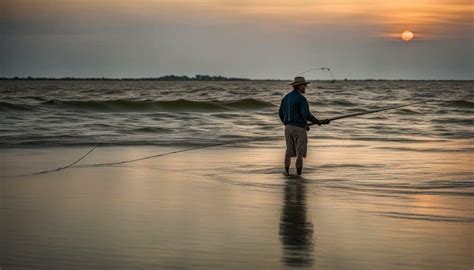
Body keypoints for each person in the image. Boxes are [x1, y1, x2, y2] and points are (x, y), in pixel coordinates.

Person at [279, 76, 330, 176]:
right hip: (299, 129)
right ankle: (298, 177)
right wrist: (318, 122)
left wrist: (286, 123)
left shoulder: (285, 98)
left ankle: (286, 173)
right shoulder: (301, 99)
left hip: (287, 128)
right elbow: (306, 115)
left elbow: (280, 113)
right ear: (300, 86)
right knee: (300, 153)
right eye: (305, 85)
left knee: (288, 152)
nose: (305, 87)